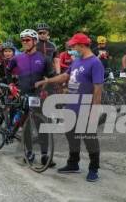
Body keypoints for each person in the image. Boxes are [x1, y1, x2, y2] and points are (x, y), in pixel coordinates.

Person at [36, 33, 103, 182]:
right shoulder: (77, 61)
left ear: (82, 45)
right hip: (71, 106)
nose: (72, 48)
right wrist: (47, 81)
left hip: (86, 106)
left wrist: (95, 110)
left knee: (89, 138)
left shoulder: (95, 63)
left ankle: (94, 169)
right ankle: (73, 164)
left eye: (74, 45)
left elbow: (98, 88)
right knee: (71, 135)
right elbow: (65, 77)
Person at [7, 29, 55, 167]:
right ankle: (29, 152)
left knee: (42, 126)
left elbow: (51, 77)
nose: (25, 42)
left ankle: (45, 155)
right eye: (23, 40)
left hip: (39, 96)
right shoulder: (17, 58)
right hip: (23, 95)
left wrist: (48, 89)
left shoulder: (44, 58)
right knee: (26, 126)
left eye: (27, 40)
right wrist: (11, 84)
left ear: (34, 41)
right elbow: (8, 70)